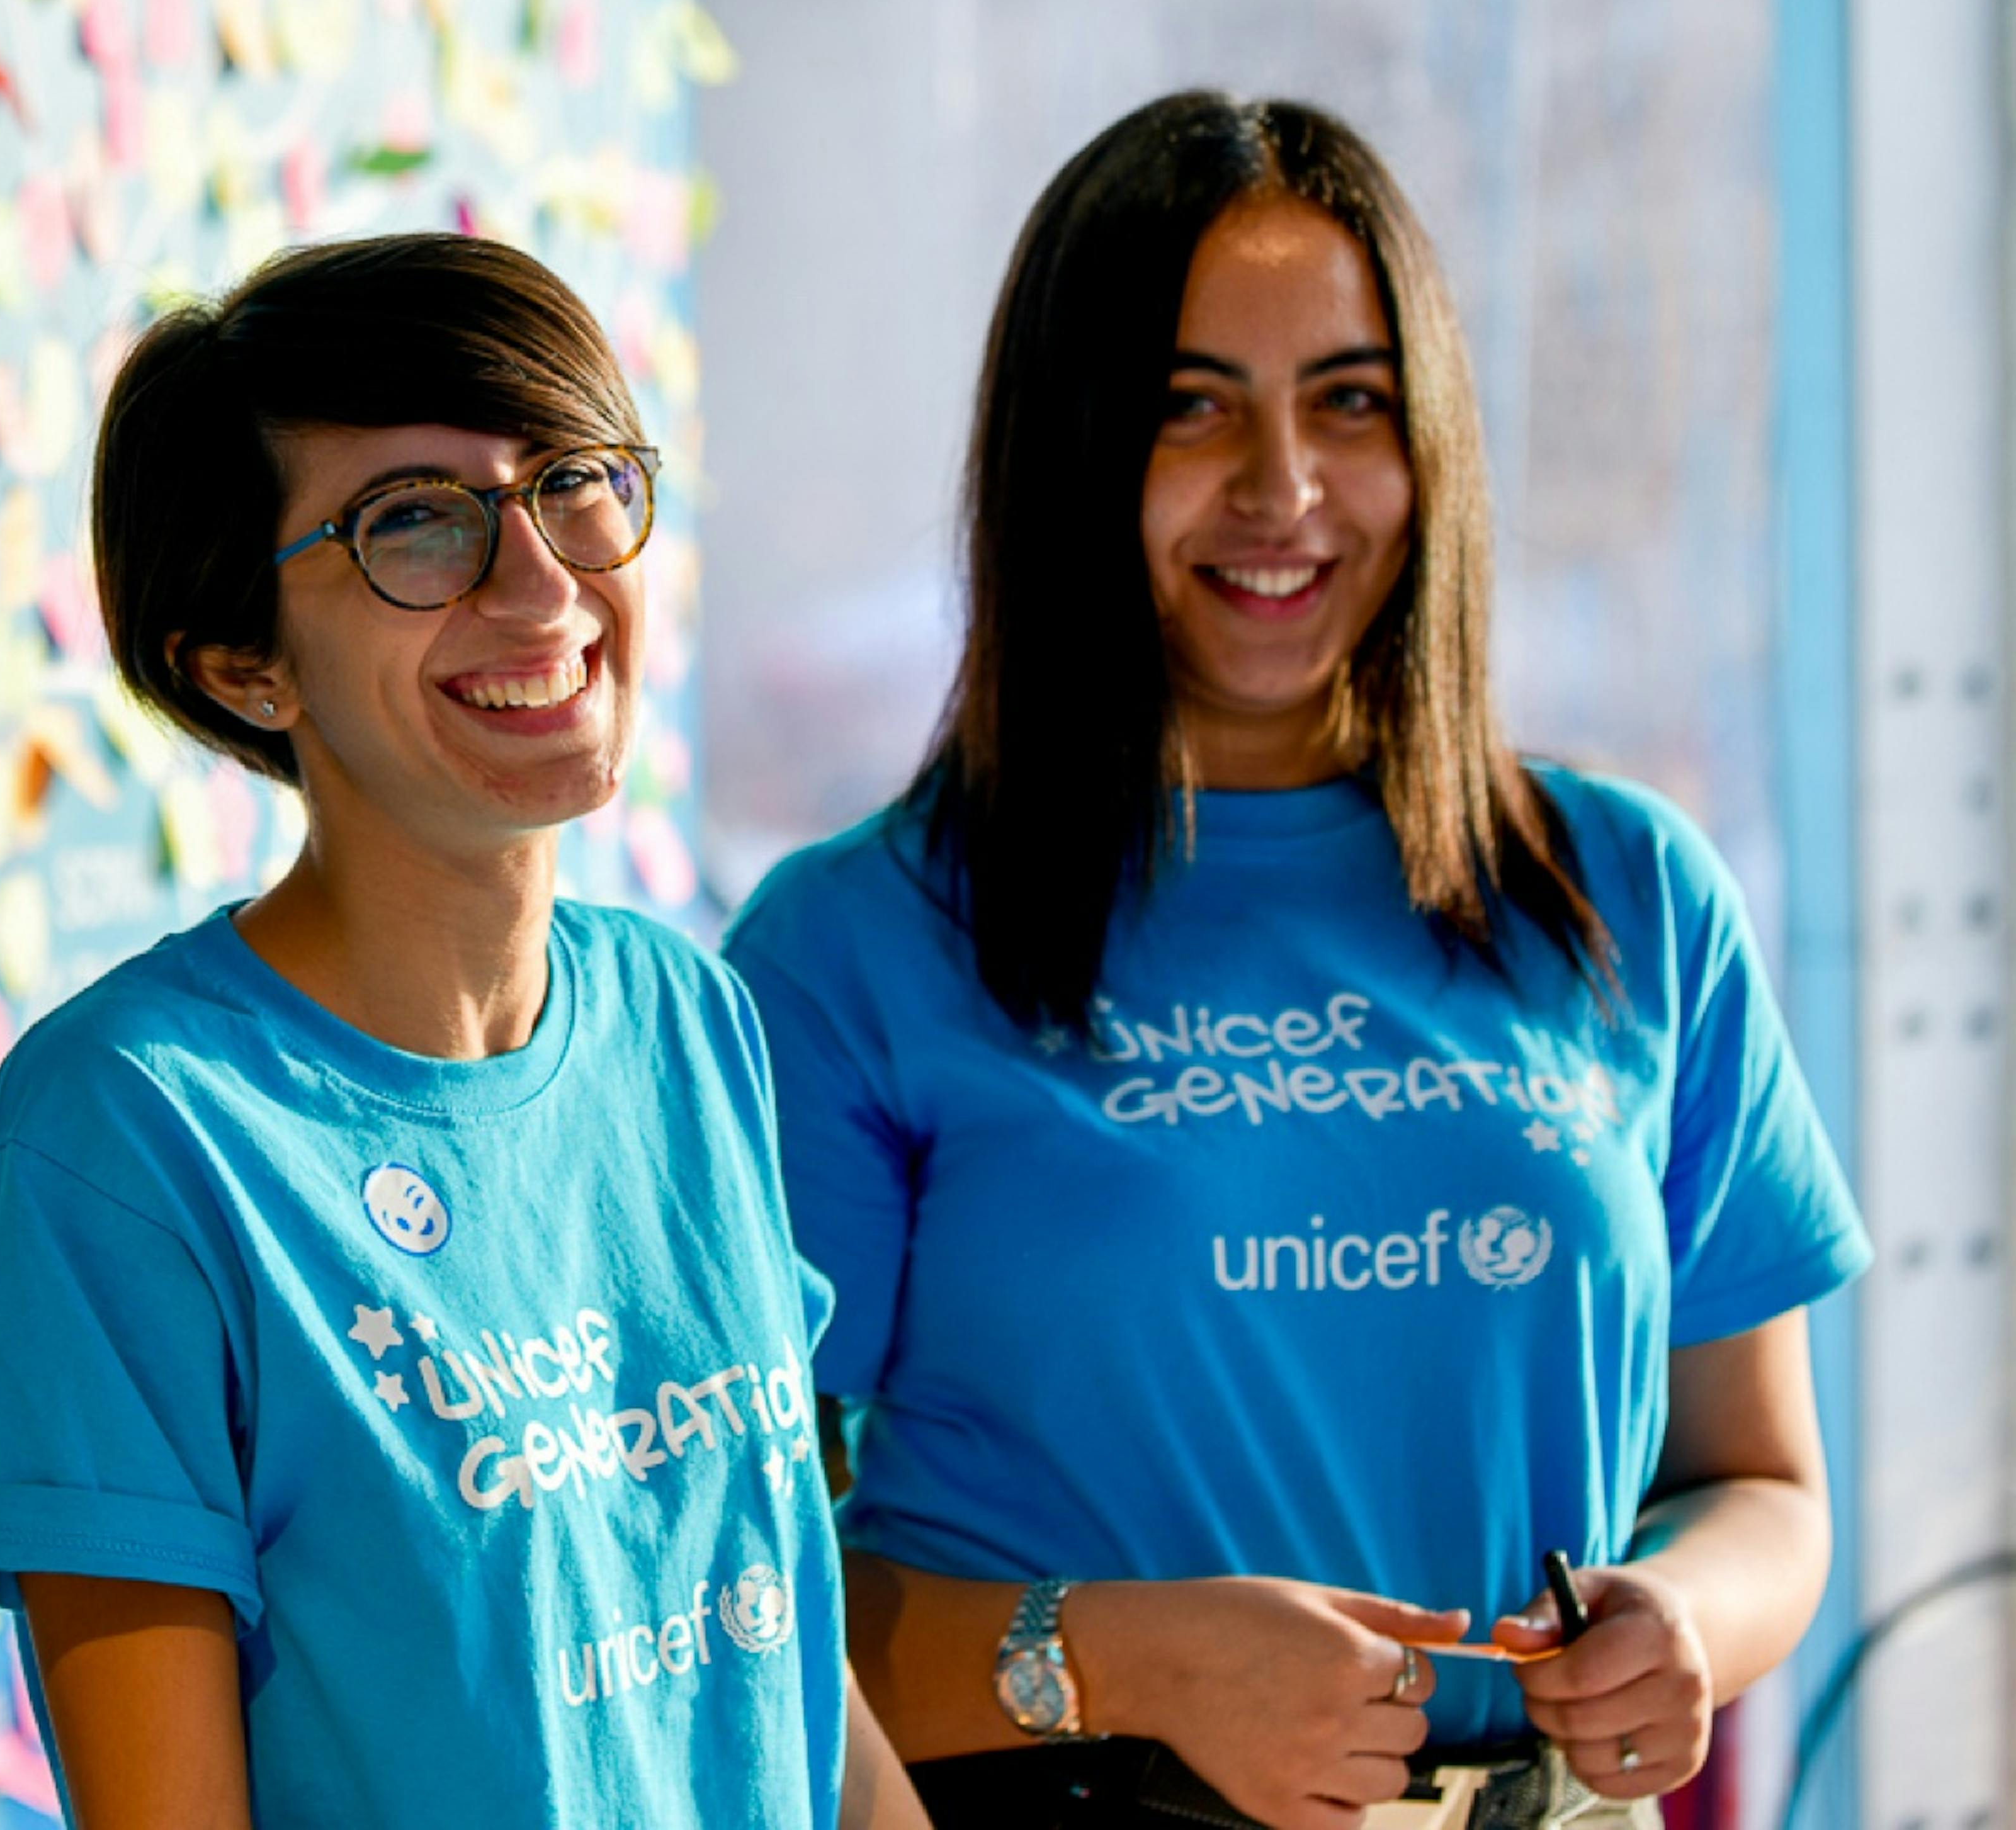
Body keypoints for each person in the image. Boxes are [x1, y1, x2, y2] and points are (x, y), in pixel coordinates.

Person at [723, 92, 1869, 1830]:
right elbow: (736, 1613)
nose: (1287, 492)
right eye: (1193, 411)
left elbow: (1764, 1484)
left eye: (1352, 403)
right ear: (1072, 449)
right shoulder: (851, 951)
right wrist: (1130, 1660)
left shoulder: (1629, 891)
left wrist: (1684, 1622)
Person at [0, 232, 926, 1828]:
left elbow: (795, 1682)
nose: (542, 584)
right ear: (246, 666)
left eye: (575, 482)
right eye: (418, 525)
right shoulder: (131, 1131)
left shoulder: (691, 1022)